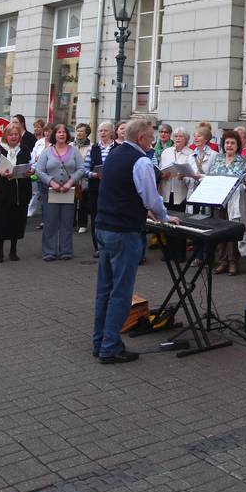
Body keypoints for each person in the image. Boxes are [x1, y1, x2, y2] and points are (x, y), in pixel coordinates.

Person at [93, 118, 179, 363]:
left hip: (104, 226)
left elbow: (123, 190)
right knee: (121, 292)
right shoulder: (140, 161)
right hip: (124, 230)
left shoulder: (115, 154)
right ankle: (110, 347)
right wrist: (163, 215)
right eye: (151, 137)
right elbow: (151, 198)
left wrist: (147, 209)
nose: (153, 140)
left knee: (104, 289)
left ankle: (99, 341)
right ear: (141, 138)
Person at [34, 124, 84, 261]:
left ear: (67, 135)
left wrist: (70, 182)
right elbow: (39, 170)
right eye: (59, 132)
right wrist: (52, 182)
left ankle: (66, 250)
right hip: (50, 191)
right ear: (54, 135)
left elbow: (81, 169)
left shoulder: (74, 151)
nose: (61, 134)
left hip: (68, 191)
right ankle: (49, 251)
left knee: (67, 222)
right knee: (50, 222)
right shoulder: (47, 152)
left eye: (64, 132)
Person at [0, 122, 32, 262]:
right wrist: (1, 173)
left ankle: (13, 250)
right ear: (6, 135)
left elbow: (31, 165)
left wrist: (31, 171)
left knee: (17, 220)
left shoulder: (24, 149)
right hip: (4, 189)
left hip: (21, 189)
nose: (13, 137)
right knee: (2, 220)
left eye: (16, 134)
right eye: (11, 134)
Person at [207, 130, 246, 276]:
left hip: (233, 201)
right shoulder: (218, 158)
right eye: (227, 143)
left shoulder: (242, 161)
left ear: (238, 146)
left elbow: (242, 181)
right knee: (219, 230)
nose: (229, 145)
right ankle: (222, 261)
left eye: (232, 143)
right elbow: (211, 175)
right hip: (218, 199)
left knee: (231, 231)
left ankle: (232, 262)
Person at [84, 122, 115, 256]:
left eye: (105, 130)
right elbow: (85, 169)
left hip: (114, 189)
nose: (102, 133)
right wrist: (93, 174)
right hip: (96, 188)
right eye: (100, 130)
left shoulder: (118, 148)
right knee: (97, 217)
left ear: (111, 132)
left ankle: (111, 246)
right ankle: (98, 247)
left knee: (112, 217)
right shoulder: (94, 148)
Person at [158, 128, 198, 209]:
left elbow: (193, 174)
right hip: (165, 191)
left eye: (181, 136)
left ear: (186, 139)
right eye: (176, 136)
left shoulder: (191, 154)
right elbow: (160, 169)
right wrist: (162, 175)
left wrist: (184, 176)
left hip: (181, 193)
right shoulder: (166, 152)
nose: (177, 138)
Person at [28, 122, 52, 225]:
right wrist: (32, 167)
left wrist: (41, 158)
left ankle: (51, 220)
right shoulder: (39, 142)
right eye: (46, 131)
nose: (47, 133)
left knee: (52, 198)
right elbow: (33, 157)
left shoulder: (57, 143)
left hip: (52, 175)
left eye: (49, 131)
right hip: (40, 173)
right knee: (43, 198)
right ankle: (44, 220)